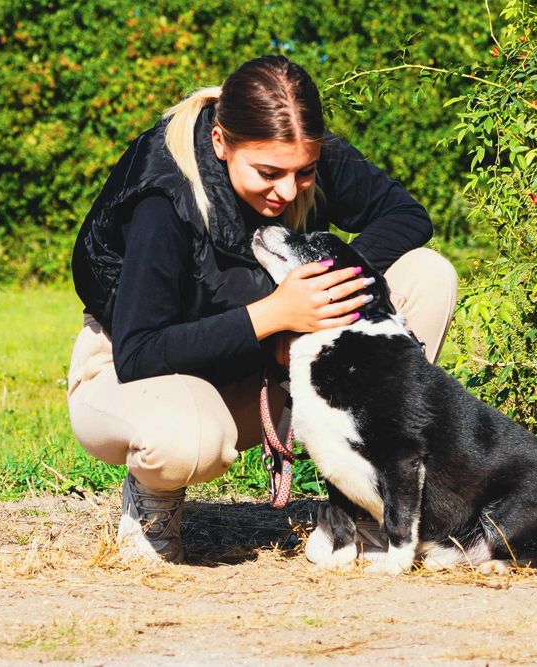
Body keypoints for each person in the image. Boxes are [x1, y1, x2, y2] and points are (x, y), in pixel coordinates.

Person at [67, 55, 458, 563]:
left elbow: (406, 215)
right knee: (185, 439)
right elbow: (142, 351)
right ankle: (153, 506)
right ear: (220, 143)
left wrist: (322, 285)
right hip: (137, 372)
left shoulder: (294, 150)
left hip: (263, 358)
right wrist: (274, 317)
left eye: (305, 173)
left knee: (426, 274)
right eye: (269, 173)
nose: (288, 190)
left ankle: (366, 498)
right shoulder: (162, 198)